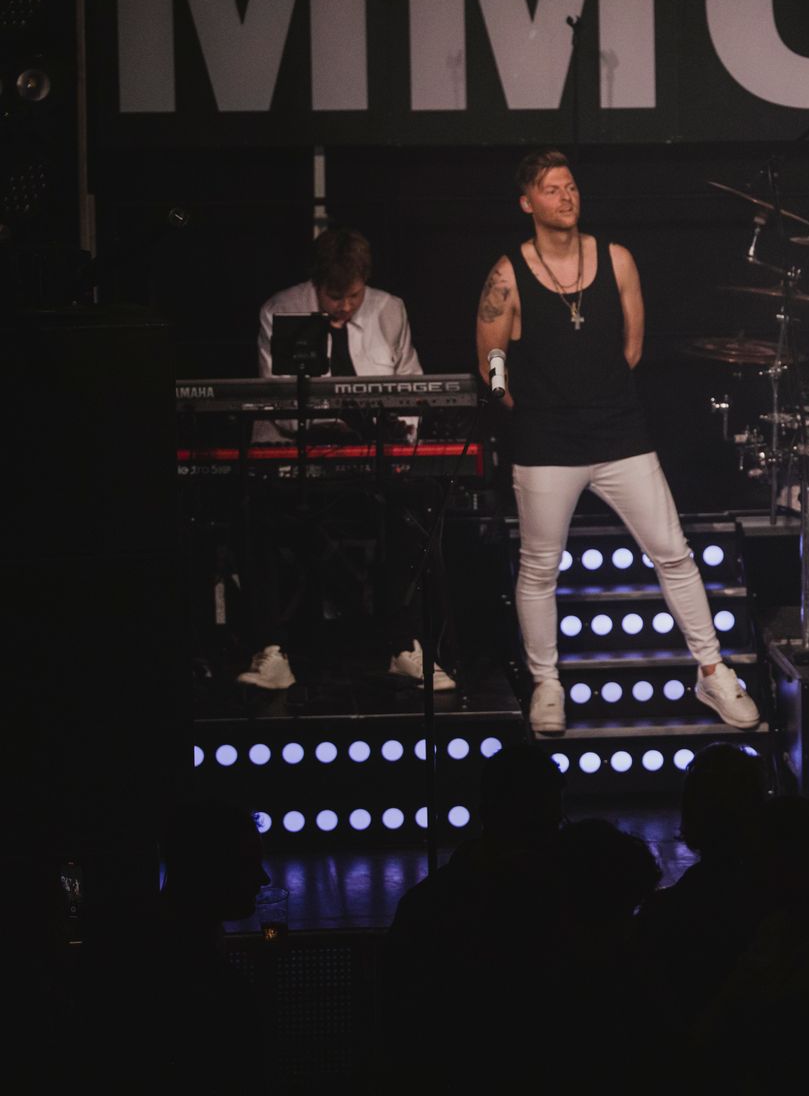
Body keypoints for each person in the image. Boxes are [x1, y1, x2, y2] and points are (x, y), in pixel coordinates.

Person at [476, 149, 759, 736]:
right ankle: (547, 684)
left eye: (571, 186)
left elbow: (632, 348)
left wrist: (598, 397)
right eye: (552, 190)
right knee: (539, 568)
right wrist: (512, 401)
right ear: (528, 203)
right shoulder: (507, 274)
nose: (566, 197)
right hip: (546, 442)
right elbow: (492, 357)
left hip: (620, 434)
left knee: (673, 553)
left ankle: (713, 672)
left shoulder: (616, 258)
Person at [240, 226, 451, 691]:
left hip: (375, 461)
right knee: (256, 512)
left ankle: (405, 646)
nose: (345, 307)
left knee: (416, 509)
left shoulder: (389, 309)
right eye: (334, 297)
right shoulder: (282, 309)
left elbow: (411, 383)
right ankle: (272, 651)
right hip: (296, 460)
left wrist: (399, 434)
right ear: (316, 284)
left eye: (353, 296)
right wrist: (334, 426)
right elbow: (279, 402)